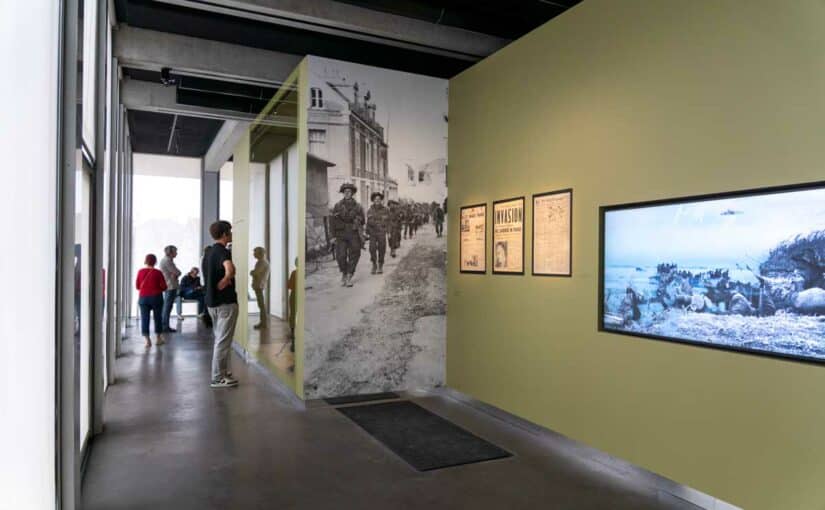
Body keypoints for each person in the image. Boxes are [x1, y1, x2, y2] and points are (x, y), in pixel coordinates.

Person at [203, 220, 239, 388]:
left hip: (212, 302)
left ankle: (224, 373)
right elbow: (230, 269)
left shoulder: (208, 253)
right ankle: (217, 378)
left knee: (220, 339)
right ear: (224, 234)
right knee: (223, 341)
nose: (231, 234)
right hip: (225, 303)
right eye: (230, 231)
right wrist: (226, 279)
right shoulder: (223, 252)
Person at [331, 183, 365, 287]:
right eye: (345, 191)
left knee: (355, 253)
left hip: (353, 233)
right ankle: (344, 273)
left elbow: (363, 220)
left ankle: (350, 275)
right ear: (343, 193)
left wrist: (357, 219)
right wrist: (332, 236)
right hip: (340, 233)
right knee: (340, 256)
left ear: (352, 193)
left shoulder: (358, 206)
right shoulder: (337, 206)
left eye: (349, 191)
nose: (347, 193)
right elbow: (332, 221)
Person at [135, 254, 166, 348]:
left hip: (143, 298)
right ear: (155, 262)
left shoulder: (140, 271)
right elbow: (164, 286)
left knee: (145, 319)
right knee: (158, 318)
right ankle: (158, 339)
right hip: (156, 297)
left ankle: (148, 341)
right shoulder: (158, 272)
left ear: (145, 261)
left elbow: (137, 286)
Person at [366, 191, 390, 274]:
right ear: (373, 200)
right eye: (375, 199)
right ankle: (374, 264)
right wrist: (366, 233)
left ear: (381, 200)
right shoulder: (370, 210)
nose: (377, 200)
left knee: (382, 249)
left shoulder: (386, 210)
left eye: (379, 199)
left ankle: (380, 265)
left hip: (382, 232)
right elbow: (368, 222)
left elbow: (388, 222)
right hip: (372, 233)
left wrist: (389, 232)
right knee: (372, 249)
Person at [159, 245, 181, 332]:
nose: (176, 253)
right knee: (167, 306)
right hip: (170, 286)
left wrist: (175, 274)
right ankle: (165, 326)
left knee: (167, 306)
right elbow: (177, 272)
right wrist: (176, 274)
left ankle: (165, 325)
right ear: (170, 253)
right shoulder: (167, 261)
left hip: (169, 285)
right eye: (175, 251)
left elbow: (176, 273)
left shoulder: (167, 260)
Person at [250, 247, 270, 330]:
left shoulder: (262, 262)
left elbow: (255, 272)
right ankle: (263, 322)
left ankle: (263, 323)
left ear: (260, 253)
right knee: (261, 304)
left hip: (259, 285)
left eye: (255, 252)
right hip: (259, 285)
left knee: (261, 305)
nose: (254, 254)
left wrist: (252, 272)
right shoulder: (262, 262)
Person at [287, 258, 297, 352]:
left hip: (294, 295)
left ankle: (292, 332)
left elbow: (289, 286)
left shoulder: (294, 273)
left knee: (293, 315)